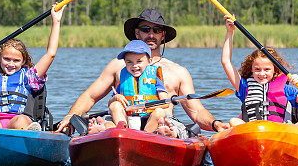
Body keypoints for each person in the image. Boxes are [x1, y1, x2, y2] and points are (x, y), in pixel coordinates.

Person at [56, 8, 228, 138]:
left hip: (160, 125)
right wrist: (70, 117)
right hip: (126, 127)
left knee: (168, 125)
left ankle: (163, 134)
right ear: (137, 33)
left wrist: (215, 124)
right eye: (146, 29)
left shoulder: (178, 72)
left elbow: (196, 112)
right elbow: (90, 97)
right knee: (111, 113)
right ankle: (106, 130)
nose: (151, 34)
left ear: (163, 35)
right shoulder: (118, 65)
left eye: (156, 30)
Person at [221, 17, 298, 128]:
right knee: (234, 121)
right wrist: (230, 32)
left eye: (267, 69)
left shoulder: (286, 89)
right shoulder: (243, 86)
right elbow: (226, 62)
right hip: (253, 132)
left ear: (275, 70)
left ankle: (294, 131)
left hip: (281, 132)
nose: (262, 74)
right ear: (251, 69)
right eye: (257, 69)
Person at [89, 39, 174, 134]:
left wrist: (148, 106)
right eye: (129, 62)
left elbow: (166, 103)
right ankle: (120, 130)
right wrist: (116, 97)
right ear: (125, 63)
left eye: (139, 61)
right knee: (115, 105)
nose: (134, 66)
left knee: (160, 112)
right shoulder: (124, 79)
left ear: (149, 61)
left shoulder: (154, 78)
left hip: (149, 119)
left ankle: (148, 134)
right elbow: (110, 103)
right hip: (128, 120)